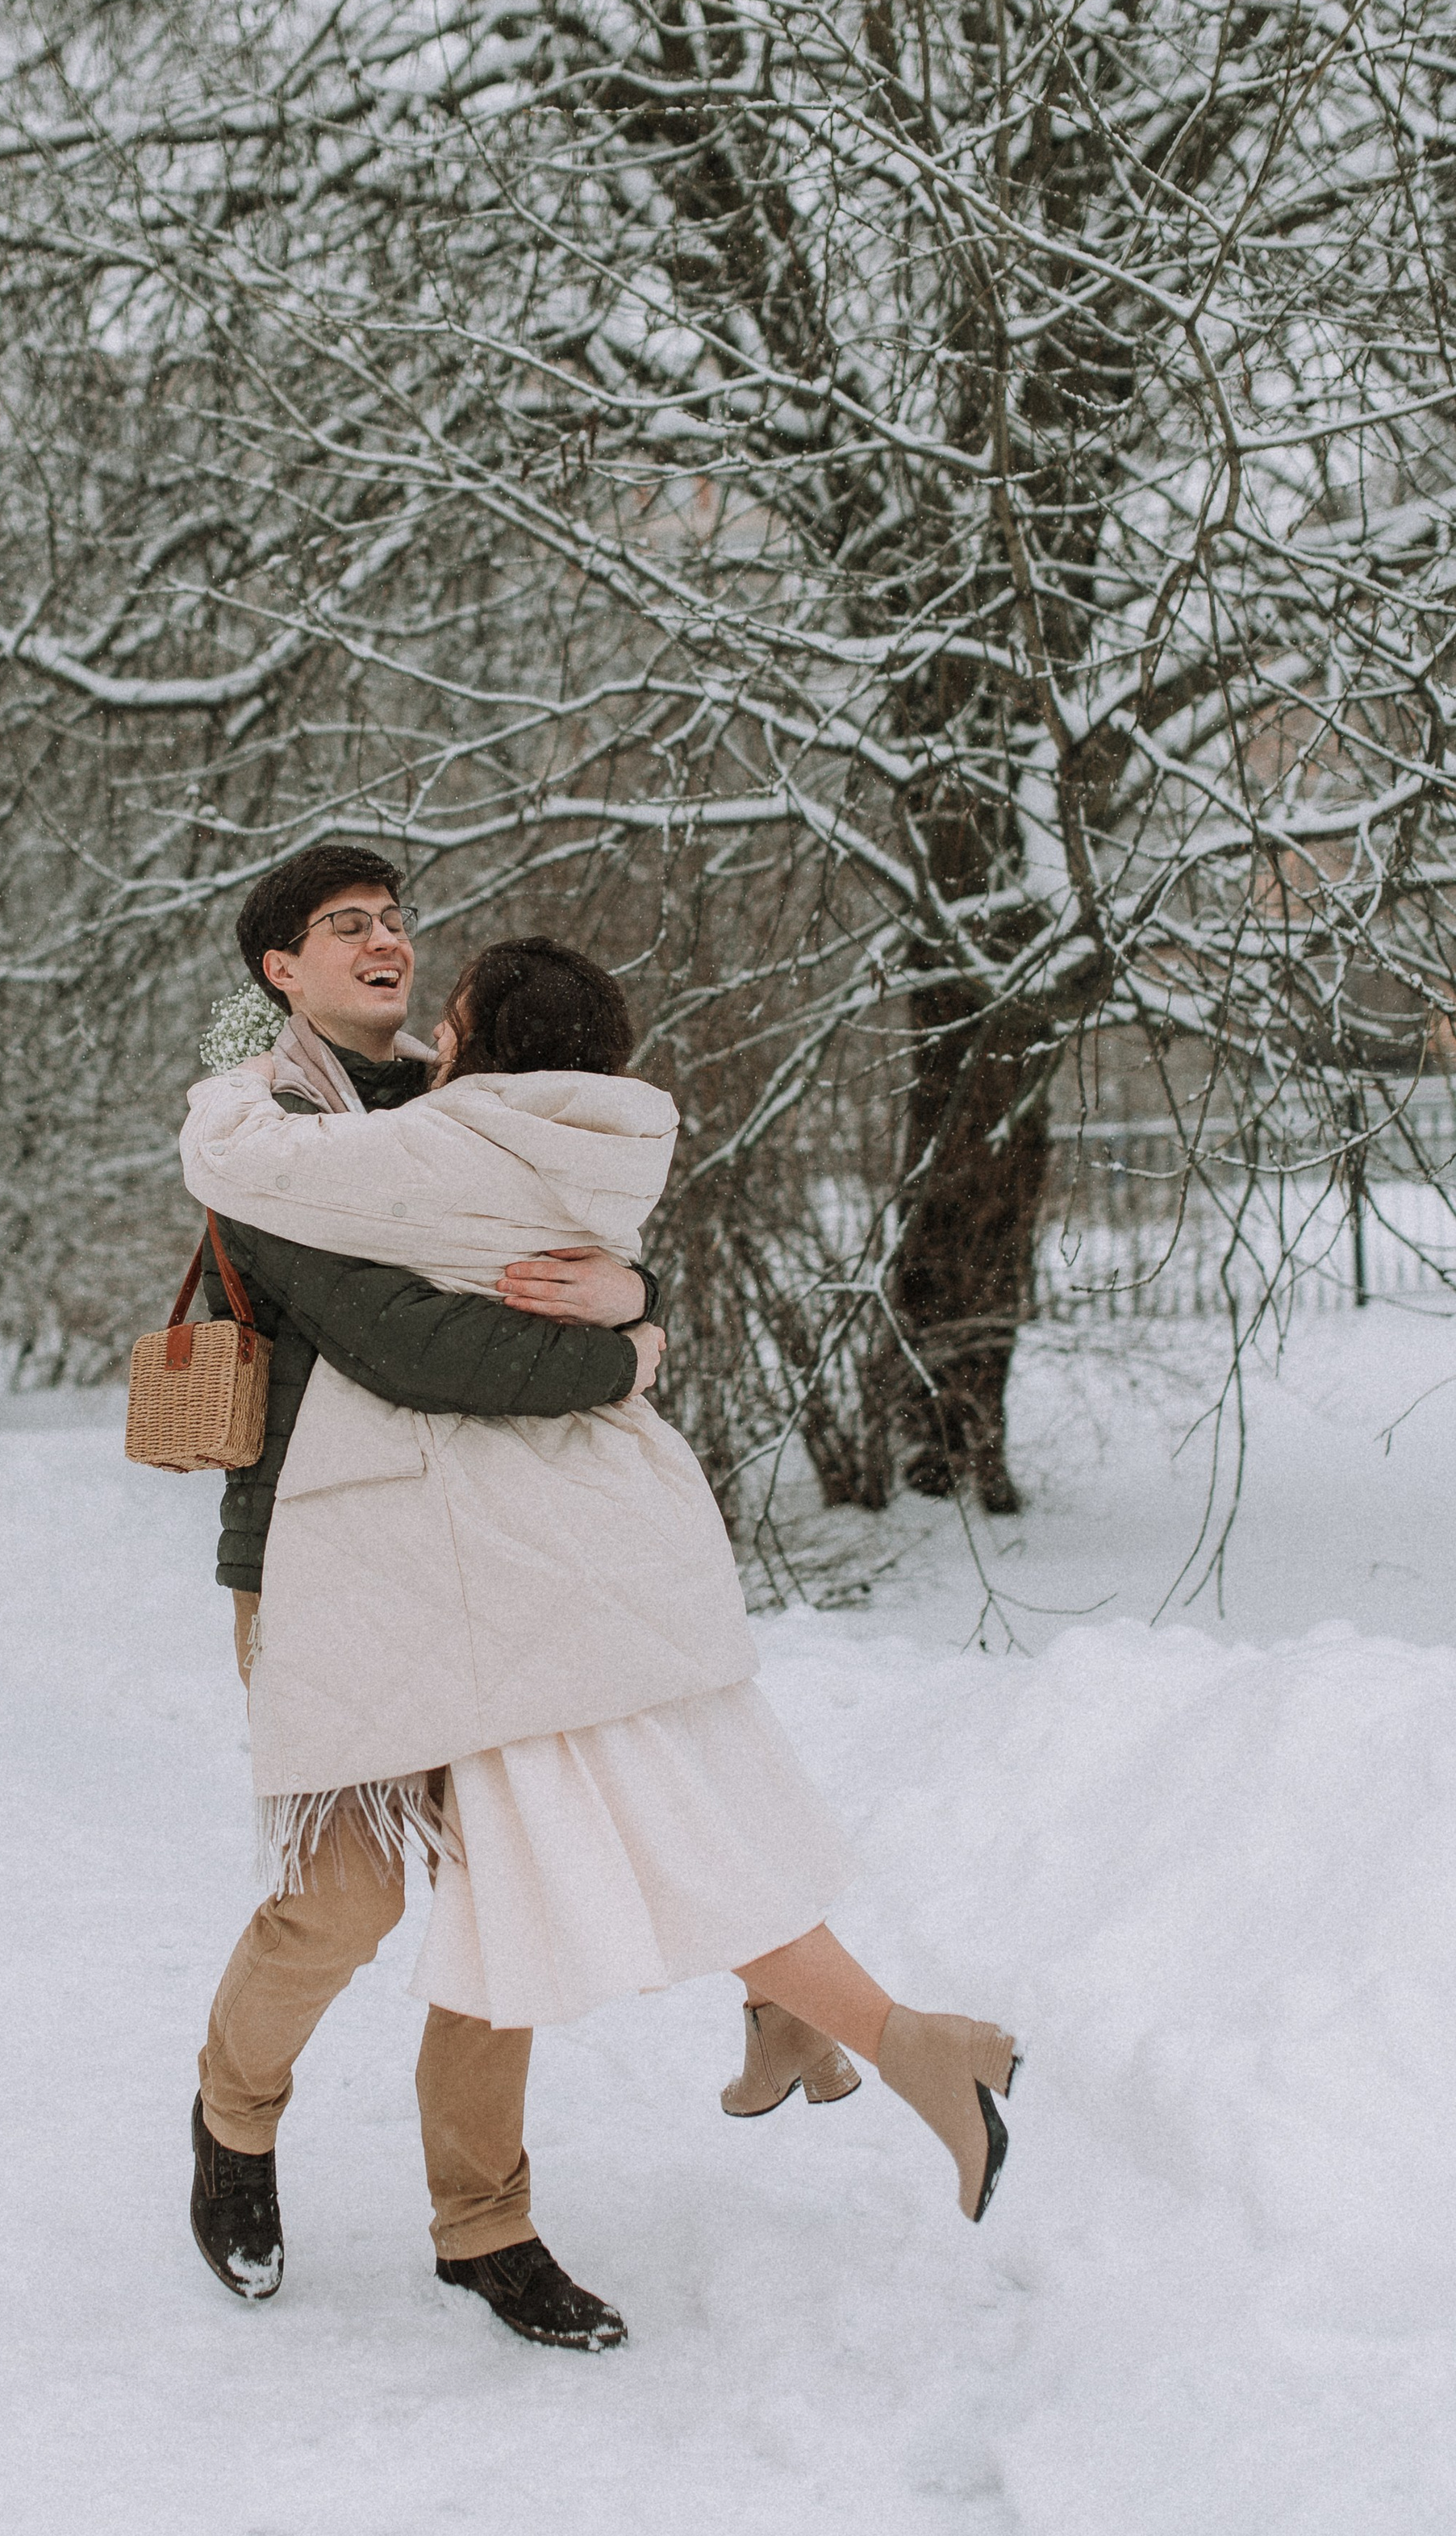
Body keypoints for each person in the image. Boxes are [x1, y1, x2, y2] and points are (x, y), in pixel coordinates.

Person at [182, 932, 1022, 2325]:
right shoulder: (281, 1131)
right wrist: (622, 1338)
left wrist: (638, 1301)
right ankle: (234, 2121)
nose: (391, 939)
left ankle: (485, 2223)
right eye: (351, 925)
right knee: (342, 1900)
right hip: (336, 1570)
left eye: (400, 919)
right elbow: (416, 1343)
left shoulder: (437, 1125)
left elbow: (511, 1257)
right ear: (280, 974)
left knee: (508, 1885)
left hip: (501, 1574)